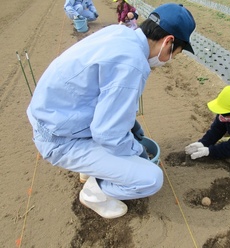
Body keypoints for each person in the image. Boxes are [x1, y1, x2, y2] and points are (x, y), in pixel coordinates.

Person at [27, 3, 196, 219]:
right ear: (168, 41)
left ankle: (91, 166)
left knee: (127, 133)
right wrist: (138, 152)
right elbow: (108, 133)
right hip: (58, 139)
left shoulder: (120, 32)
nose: (171, 60)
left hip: (57, 117)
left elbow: (103, 97)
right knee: (151, 178)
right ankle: (94, 194)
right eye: (177, 54)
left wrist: (132, 128)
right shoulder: (132, 64)